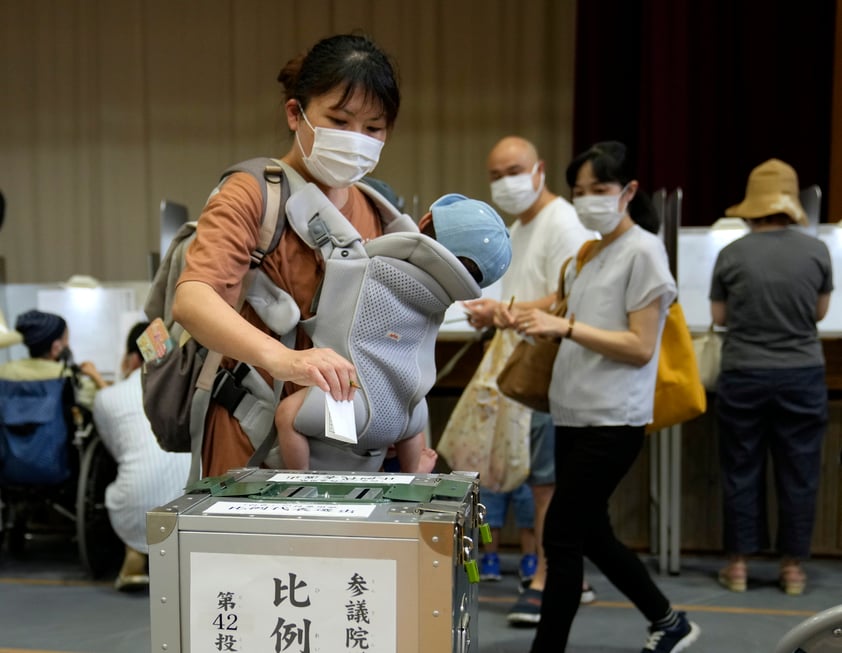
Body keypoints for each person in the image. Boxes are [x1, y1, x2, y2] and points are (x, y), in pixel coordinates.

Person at [172, 34, 434, 477]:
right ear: (296, 114)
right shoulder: (253, 194)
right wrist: (285, 361)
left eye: (374, 128)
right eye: (339, 120)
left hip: (348, 442)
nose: (357, 139)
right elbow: (193, 299)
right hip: (254, 435)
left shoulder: (377, 210)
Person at [509, 141, 699, 653]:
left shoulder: (644, 251)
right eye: (580, 192)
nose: (589, 199)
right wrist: (511, 313)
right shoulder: (590, 251)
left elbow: (640, 347)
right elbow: (562, 307)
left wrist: (565, 327)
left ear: (629, 192)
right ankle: (668, 620)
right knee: (593, 535)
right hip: (574, 414)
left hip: (613, 421)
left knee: (563, 539)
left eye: (600, 190)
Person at [274, 192, 511, 473]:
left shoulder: (372, 262)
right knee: (415, 404)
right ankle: (414, 474)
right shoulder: (442, 298)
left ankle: (298, 480)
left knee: (287, 415)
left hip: (354, 404)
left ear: (422, 221)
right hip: (407, 411)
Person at [463, 135, 594, 623]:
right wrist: (494, 312)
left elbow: (571, 295)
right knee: (537, 479)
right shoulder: (520, 227)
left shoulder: (564, 222)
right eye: (495, 175)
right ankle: (565, 574)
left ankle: (548, 578)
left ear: (539, 169)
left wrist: (505, 309)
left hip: (552, 367)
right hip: (524, 366)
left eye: (513, 171)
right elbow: (522, 294)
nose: (505, 183)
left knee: (545, 482)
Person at [710, 159, 832, 596]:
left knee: (741, 467)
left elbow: (718, 317)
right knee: (799, 470)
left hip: (744, 373)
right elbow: (819, 313)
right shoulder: (816, 251)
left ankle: (739, 566)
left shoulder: (730, 254)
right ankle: (793, 568)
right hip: (801, 373)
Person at [93, 322, 192, 591]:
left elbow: (114, 450)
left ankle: (133, 558)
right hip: (190, 499)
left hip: (136, 504)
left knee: (126, 483)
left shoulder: (106, 397)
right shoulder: (186, 389)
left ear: (132, 358)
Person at [0, 309, 108, 409]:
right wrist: (95, 375)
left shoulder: (4, 371)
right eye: (66, 339)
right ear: (56, 347)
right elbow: (110, 406)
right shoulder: (69, 379)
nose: (68, 345)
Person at [479, 483, 538, 586]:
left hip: (526, 470)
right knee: (489, 515)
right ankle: (490, 558)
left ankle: (530, 560)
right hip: (494, 470)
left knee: (529, 512)